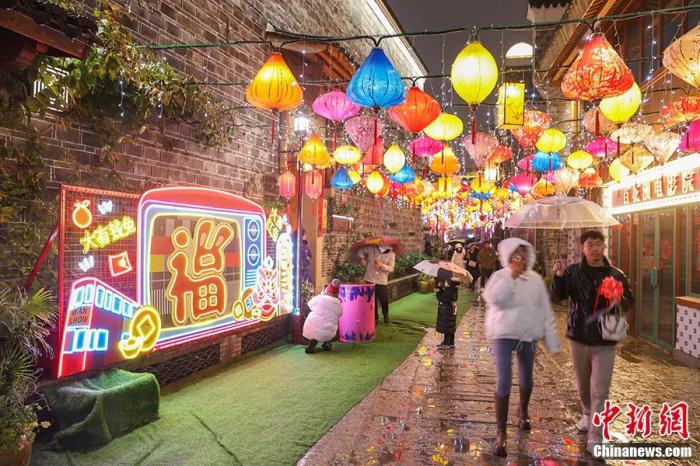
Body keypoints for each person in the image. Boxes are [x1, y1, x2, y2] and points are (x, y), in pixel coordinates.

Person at [552, 230, 634, 455]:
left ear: (604, 246)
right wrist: (559, 277)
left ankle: (596, 436)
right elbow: (559, 297)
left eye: (599, 244)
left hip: (605, 338)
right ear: (583, 248)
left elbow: (629, 301)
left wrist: (618, 297)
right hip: (578, 335)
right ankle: (587, 413)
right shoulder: (572, 271)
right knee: (582, 384)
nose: (595, 248)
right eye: (591, 244)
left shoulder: (615, 274)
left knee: (600, 388)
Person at [483, 238, 560, 457]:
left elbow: (544, 308)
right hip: (503, 333)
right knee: (504, 380)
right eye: (516, 255)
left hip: (527, 334)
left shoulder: (535, 280)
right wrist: (512, 277)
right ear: (509, 257)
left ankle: (523, 411)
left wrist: (551, 337)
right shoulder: (500, 276)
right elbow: (493, 299)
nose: (521, 259)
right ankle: (501, 432)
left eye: (524, 255)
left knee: (527, 379)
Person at [303, 279, 343, 354]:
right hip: (329, 333)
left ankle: (311, 345)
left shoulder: (319, 298)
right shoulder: (339, 306)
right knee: (331, 324)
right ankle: (327, 343)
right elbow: (340, 315)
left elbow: (309, 304)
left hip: (311, 329)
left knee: (316, 328)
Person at [360, 245, 396, 324]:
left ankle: (385, 315)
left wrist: (382, 266)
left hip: (381, 280)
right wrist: (362, 259)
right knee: (372, 300)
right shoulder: (371, 249)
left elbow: (391, 269)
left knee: (384, 299)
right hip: (369, 279)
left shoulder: (391, 254)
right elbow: (361, 252)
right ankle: (374, 318)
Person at [435, 268, 465, 350]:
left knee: (448, 327)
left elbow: (441, 298)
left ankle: (448, 342)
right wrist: (441, 288)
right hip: (449, 309)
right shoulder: (452, 289)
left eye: (446, 281)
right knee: (449, 327)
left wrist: (438, 290)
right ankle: (449, 342)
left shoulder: (449, 290)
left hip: (447, 310)